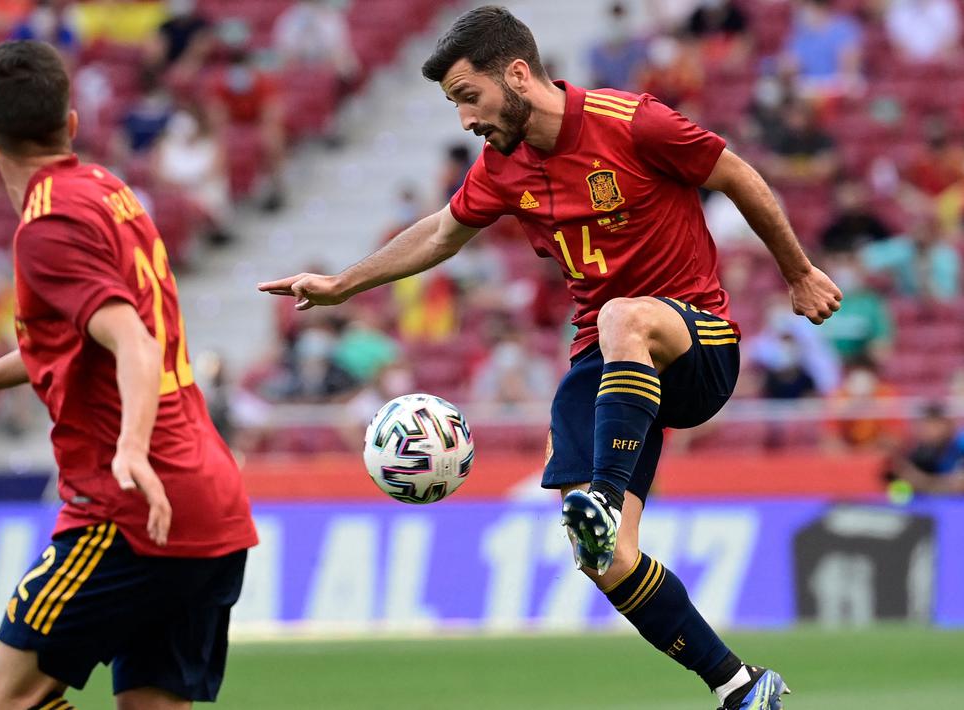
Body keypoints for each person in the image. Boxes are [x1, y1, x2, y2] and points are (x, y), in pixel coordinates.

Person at [259, 7, 842, 709]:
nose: (464, 120)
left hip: (694, 344)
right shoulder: (503, 165)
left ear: (515, 75)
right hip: (604, 360)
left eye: (466, 97)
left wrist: (797, 272)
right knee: (603, 558)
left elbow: (736, 175)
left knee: (623, 314)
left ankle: (602, 486)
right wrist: (341, 284)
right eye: (452, 105)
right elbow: (444, 232)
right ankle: (740, 686)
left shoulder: (633, 122)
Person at [0, 40, 256, 710]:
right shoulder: (108, 191)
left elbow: (133, 341)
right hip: (209, 503)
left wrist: (129, 450)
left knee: (9, 700)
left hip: (129, 512)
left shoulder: (46, 226)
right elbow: (76, 344)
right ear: (72, 124)